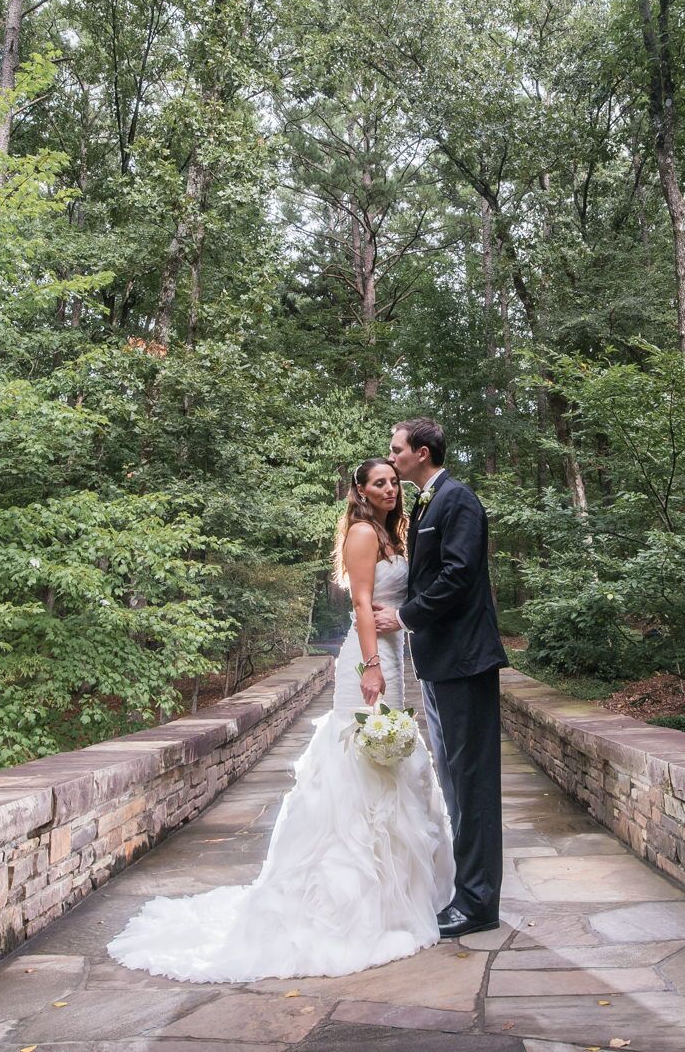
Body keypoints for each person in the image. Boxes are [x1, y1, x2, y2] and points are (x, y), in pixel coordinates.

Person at [105, 459, 454, 981]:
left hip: (395, 654)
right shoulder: (362, 533)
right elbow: (362, 603)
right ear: (360, 490)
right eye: (377, 482)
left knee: (392, 763)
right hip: (368, 662)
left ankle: (396, 897)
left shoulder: (392, 535)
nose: (388, 488)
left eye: (392, 481)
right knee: (356, 767)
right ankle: (344, 907)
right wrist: (373, 666)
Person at [377, 416, 508, 940]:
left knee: (473, 783)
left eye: (396, 450)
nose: (391, 458)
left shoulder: (458, 500)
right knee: (455, 779)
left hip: (465, 662)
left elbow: (458, 575)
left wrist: (407, 617)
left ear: (423, 452)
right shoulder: (431, 501)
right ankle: (466, 891)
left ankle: (478, 905)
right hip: (440, 663)